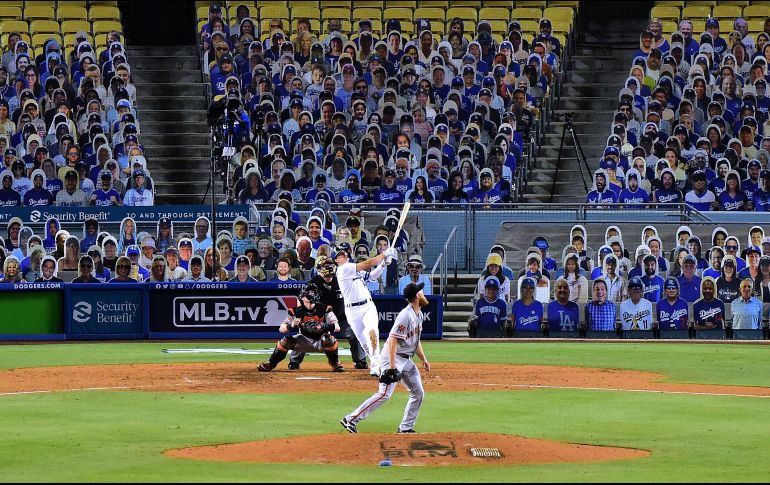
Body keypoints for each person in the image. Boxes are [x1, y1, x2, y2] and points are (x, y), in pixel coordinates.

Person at [341, 282, 430, 434]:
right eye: (421, 292)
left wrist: (423, 359)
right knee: (384, 394)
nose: (423, 294)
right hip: (392, 357)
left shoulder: (419, 314)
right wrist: (392, 367)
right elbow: (393, 339)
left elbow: (415, 340)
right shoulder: (405, 315)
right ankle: (350, 419)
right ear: (416, 296)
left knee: (418, 392)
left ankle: (406, 427)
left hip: (406, 359)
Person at [288, 256, 368, 370]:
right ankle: (294, 361)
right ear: (319, 269)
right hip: (319, 318)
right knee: (305, 332)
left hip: (342, 318)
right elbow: (300, 300)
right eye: (325, 267)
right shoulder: (312, 284)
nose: (328, 270)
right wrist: (303, 318)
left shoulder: (342, 280)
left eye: (330, 266)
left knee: (356, 331)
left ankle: (360, 361)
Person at [333, 242, 397, 377]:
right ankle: (378, 363)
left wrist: (383, 264)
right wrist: (384, 254)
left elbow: (372, 277)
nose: (343, 254)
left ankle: (375, 366)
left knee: (372, 332)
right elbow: (367, 264)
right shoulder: (343, 269)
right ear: (336, 259)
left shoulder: (353, 269)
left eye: (344, 252)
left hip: (367, 306)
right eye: (339, 254)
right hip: (352, 311)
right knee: (364, 343)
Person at [258, 283, 344, 372]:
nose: (311, 294)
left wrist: (323, 326)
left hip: (320, 341)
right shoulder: (296, 311)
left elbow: (337, 328)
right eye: (309, 292)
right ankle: (270, 364)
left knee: (329, 339)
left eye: (313, 292)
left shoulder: (325, 309)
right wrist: (291, 325)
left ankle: (335, 363)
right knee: (286, 341)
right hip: (304, 340)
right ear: (302, 297)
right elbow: (281, 329)